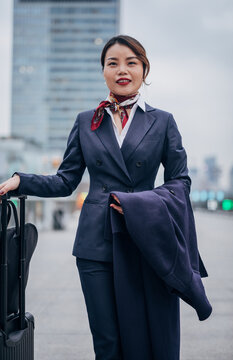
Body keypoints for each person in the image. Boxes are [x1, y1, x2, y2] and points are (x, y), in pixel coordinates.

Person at [0, 35, 192, 359]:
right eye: (112, 63)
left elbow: (180, 182)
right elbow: (65, 181)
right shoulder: (86, 121)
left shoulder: (162, 121)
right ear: (103, 71)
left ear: (144, 70)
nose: (122, 70)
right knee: (106, 342)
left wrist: (140, 203)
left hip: (144, 239)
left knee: (143, 337)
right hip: (95, 244)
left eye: (131, 62)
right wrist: (21, 180)